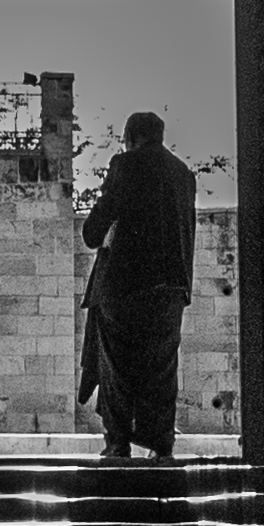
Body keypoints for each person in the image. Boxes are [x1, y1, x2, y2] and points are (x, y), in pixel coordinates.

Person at [78, 110, 196, 461]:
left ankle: (118, 443)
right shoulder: (183, 174)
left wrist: (95, 230)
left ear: (130, 137)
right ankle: (162, 445)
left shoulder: (126, 165)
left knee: (117, 364)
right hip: (172, 287)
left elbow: (97, 225)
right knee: (162, 366)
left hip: (126, 282)